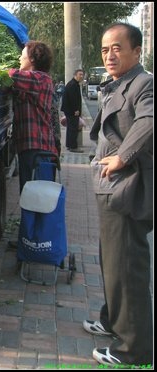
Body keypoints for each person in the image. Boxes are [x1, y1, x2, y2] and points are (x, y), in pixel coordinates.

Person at [85, 23, 153, 368]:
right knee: (111, 262)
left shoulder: (145, 83)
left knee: (128, 268)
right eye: (104, 50)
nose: (109, 55)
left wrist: (123, 156)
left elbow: (148, 121)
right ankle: (112, 321)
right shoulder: (117, 84)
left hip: (129, 188)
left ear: (136, 51)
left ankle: (133, 350)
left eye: (117, 48)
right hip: (110, 187)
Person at [8, 40, 58, 194]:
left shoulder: (40, 79)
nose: (19, 59)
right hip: (30, 148)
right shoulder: (32, 81)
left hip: (38, 149)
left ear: (32, 59)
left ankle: (38, 219)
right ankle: (31, 219)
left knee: (36, 199)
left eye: (22, 56)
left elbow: (10, 74)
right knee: (30, 196)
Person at [61, 69, 84, 152]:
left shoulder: (74, 84)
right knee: (73, 129)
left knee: (71, 128)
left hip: (70, 110)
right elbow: (73, 99)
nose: (81, 76)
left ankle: (69, 145)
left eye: (82, 75)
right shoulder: (73, 85)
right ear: (75, 75)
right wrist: (76, 110)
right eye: (80, 74)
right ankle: (73, 147)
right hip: (72, 111)